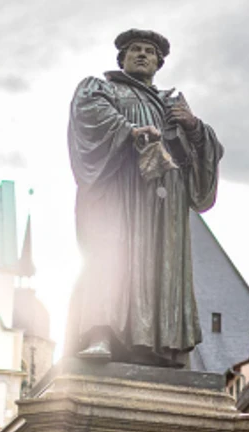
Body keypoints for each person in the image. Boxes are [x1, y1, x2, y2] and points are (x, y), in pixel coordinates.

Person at [66, 29, 223, 367]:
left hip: (165, 202)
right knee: (111, 255)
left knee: (159, 265)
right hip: (120, 190)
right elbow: (88, 115)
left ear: (158, 63)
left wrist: (194, 126)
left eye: (149, 52)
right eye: (134, 50)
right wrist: (130, 130)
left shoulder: (172, 104)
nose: (141, 55)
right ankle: (99, 335)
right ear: (122, 58)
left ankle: (152, 344)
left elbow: (207, 154)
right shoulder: (102, 88)